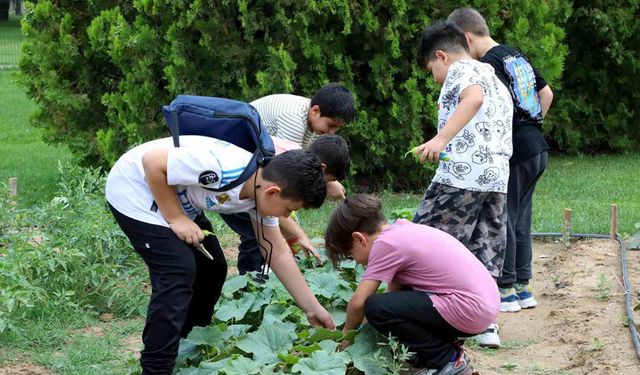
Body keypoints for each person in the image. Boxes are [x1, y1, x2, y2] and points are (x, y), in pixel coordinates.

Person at [105, 135, 336, 374]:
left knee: (212, 267)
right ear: (273, 192)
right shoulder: (221, 168)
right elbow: (153, 162)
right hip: (134, 188)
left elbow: (277, 253)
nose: (287, 217)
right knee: (178, 270)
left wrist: (312, 308)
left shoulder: (261, 191)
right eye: (289, 210)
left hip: (174, 196)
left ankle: (188, 344)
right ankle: (156, 368)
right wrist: (175, 218)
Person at [412, 21, 513, 348]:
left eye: (431, 70)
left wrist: (440, 139)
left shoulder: (460, 71)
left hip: (462, 174)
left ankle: (421, 319)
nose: (434, 78)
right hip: (496, 177)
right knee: (486, 243)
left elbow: (473, 98)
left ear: (442, 56)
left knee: (424, 238)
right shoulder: (493, 75)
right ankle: (486, 325)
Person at [448, 8, 553, 315]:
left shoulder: (488, 65)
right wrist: (532, 125)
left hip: (516, 150)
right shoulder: (514, 55)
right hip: (537, 147)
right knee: (521, 217)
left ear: (466, 38)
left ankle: (505, 290)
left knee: (505, 217)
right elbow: (546, 93)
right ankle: (523, 286)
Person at [325, 194, 499, 375]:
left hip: (469, 309)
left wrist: (346, 337)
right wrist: (364, 336)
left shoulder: (385, 244)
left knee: (375, 306)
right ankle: (442, 348)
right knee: (384, 306)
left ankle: (446, 359)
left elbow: (360, 302)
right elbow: (395, 298)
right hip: (483, 307)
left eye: (351, 254)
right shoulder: (401, 231)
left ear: (360, 239)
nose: (356, 261)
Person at [221, 134, 351, 273]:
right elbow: (278, 208)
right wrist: (299, 236)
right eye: (329, 181)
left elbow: (281, 213)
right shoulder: (290, 167)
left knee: (267, 235)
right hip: (233, 188)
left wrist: (295, 237)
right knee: (255, 235)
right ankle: (248, 279)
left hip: (244, 192)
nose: (327, 184)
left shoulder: (300, 160)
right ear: (322, 168)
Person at [251, 82, 355, 201]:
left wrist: (330, 178)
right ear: (315, 111)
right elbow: (291, 169)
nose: (332, 133)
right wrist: (326, 184)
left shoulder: (315, 123)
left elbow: (310, 161)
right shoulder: (294, 118)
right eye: (331, 125)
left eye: (337, 128)